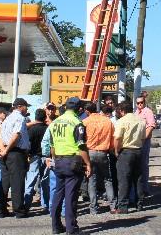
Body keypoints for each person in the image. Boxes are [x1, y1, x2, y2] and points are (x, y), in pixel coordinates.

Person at [48, 97, 91, 235]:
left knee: (57, 195)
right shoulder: (77, 122)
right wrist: (88, 163)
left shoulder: (55, 123)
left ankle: (56, 226)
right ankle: (71, 229)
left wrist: (56, 159)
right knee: (71, 197)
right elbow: (81, 146)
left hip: (59, 160)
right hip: (73, 161)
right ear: (79, 109)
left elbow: (52, 146)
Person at [0, 98, 31, 218]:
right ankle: (19, 211)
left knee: (5, 182)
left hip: (6, 152)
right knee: (17, 182)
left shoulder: (7, 119)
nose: (27, 109)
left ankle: (1, 210)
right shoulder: (19, 118)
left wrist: (2, 150)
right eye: (26, 106)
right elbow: (16, 135)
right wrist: (6, 150)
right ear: (20, 106)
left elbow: (0, 136)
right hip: (15, 153)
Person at [83, 102, 116, 214]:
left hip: (90, 153)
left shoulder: (85, 122)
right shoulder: (108, 121)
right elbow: (112, 140)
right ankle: (112, 205)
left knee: (92, 180)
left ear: (87, 111)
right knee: (107, 179)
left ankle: (93, 208)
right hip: (103, 153)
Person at [113, 101, 146, 214]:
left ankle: (123, 206)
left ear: (122, 111)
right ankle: (140, 204)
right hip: (138, 151)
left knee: (124, 179)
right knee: (138, 179)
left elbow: (117, 138)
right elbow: (143, 138)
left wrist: (116, 151)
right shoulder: (141, 121)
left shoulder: (121, 121)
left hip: (126, 152)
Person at [24, 109, 49, 211]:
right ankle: (46, 204)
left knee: (30, 180)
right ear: (44, 118)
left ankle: (27, 204)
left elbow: (27, 145)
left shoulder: (31, 130)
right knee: (45, 181)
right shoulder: (47, 129)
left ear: (35, 117)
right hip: (46, 156)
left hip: (34, 156)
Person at [135, 96, 155, 195]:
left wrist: (143, 139)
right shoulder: (136, 113)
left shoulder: (148, 112)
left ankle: (145, 188)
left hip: (144, 141)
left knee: (143, 165)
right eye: (138, 103)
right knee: (137, 165)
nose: (140, 105)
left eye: (141, 102)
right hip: (136, 142)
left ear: (144, 102)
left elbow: (151, 126)